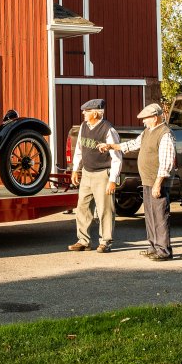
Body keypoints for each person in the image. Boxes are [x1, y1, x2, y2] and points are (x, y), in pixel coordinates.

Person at [101, 103, 176, 261]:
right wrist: (111, 146)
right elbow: (131, 145)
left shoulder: (165, 134)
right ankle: (153, 246)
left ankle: (164, 251)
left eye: (146, 119)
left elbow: (167, 162)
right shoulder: (147, 132)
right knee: (150, 214)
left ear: (155, 118)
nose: (143, 122)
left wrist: (158, 183)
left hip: (157, 182)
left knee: (160, 216)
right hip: (148, 180)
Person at [68, 98, 122, 253]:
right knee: (82, 208)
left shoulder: (108, 129)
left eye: (87, 111)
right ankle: (83, 241)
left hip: (102, 174)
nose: (84, 113)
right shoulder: (84, 126)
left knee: (105, 209)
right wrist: (75, 170)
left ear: (96, 113)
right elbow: (79, 149)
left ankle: (105, 242)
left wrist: (113, 180)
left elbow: (117, 156)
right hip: (86, 173)